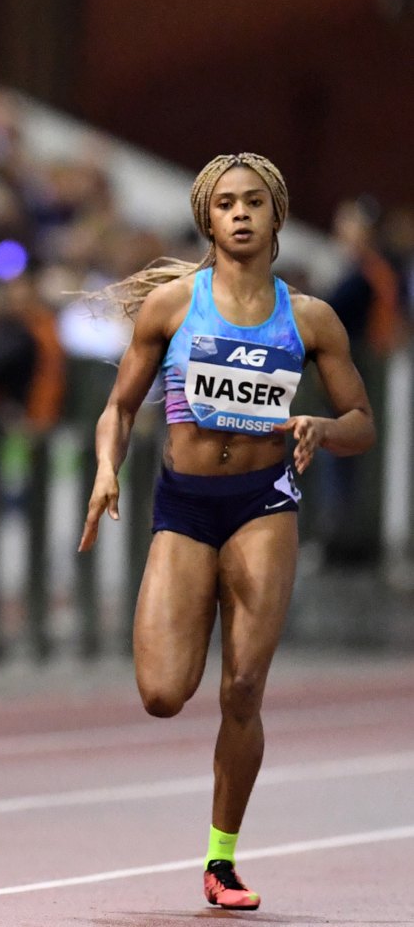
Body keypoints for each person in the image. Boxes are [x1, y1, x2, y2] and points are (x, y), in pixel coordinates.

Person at [79, 153, 375, 911]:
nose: (240, 213)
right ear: (206, 221)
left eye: (253, 202)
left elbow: (362, 422)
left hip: (262, 503)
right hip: (185, 506)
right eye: (225, 204)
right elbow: (119, 407)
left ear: (276, 217)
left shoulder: (310, 318)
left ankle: (222, 859)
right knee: (162, 693)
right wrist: (107, 466)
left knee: (243, 687)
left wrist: (319, 427)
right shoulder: (173, 306)